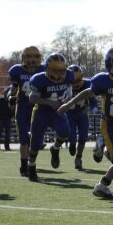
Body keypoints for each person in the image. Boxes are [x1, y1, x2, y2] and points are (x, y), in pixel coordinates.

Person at [58, 45, 113, 199]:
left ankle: (102, 186)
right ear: (111, 63)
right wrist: (68, 104)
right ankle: (103, 146)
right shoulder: (103, 80)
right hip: (109, 123)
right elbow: (88, 92)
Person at [26, 53, 76, 182]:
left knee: (65, 132)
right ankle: (31, 166)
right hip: (41, 111)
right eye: (55, 70)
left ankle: (55, 148)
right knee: (35, 144)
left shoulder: (69, 75)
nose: (59, 73)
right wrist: (50, 102)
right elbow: (32, 98)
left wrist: (68, 100)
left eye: (62, 70)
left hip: (58, 110)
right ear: (48, 69)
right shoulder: (39, 79)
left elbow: (69, 89)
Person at [8, 46, 45, 175]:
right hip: (23, 106)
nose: (33, 60)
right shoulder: (17, 70)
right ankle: (24, 165)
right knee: (23, 137)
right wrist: (10, 96)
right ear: (24, 58)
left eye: (35, 57)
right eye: (30, 57)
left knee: (35, 138)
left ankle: (31, 162)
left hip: (37, 106)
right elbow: (13, 88)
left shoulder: (43, 70)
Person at [66, 65, 99, 170]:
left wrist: (91, 108)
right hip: (69, 114)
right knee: (71, 137)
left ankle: (78, 157)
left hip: (82, 114)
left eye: (77, 79)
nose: (75, 82)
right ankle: (71, 144)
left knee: (83, 138)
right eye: (73, 80)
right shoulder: (63, 84)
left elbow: (93, 100)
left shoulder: (87, 84)